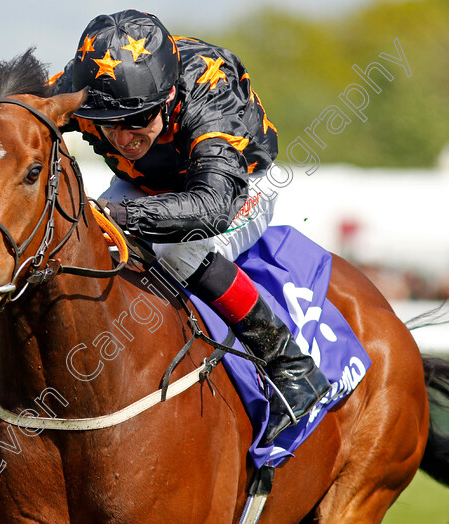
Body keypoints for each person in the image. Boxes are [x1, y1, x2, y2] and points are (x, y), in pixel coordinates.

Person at [50, 9, 330, 444]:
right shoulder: (83, 85)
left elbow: (211, 206)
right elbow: (17, 111)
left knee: (177, 249)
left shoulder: (208, 91)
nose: (123, 138)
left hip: (238, 186)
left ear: (166, 99)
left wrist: (120, 216)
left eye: (138, 119)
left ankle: (290, 365)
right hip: (147, 185)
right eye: (108, 124)